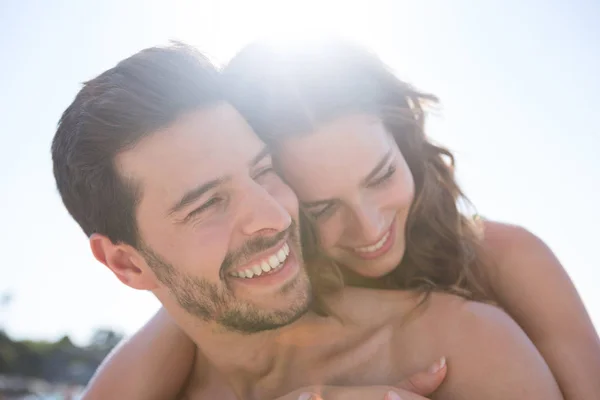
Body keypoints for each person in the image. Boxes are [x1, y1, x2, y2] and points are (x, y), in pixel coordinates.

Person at [81, 38, 600, 399]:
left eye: (380, 176)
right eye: (322, 207)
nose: (371, 227)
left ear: (403, 141)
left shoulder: (502, 259)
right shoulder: (208, 313)